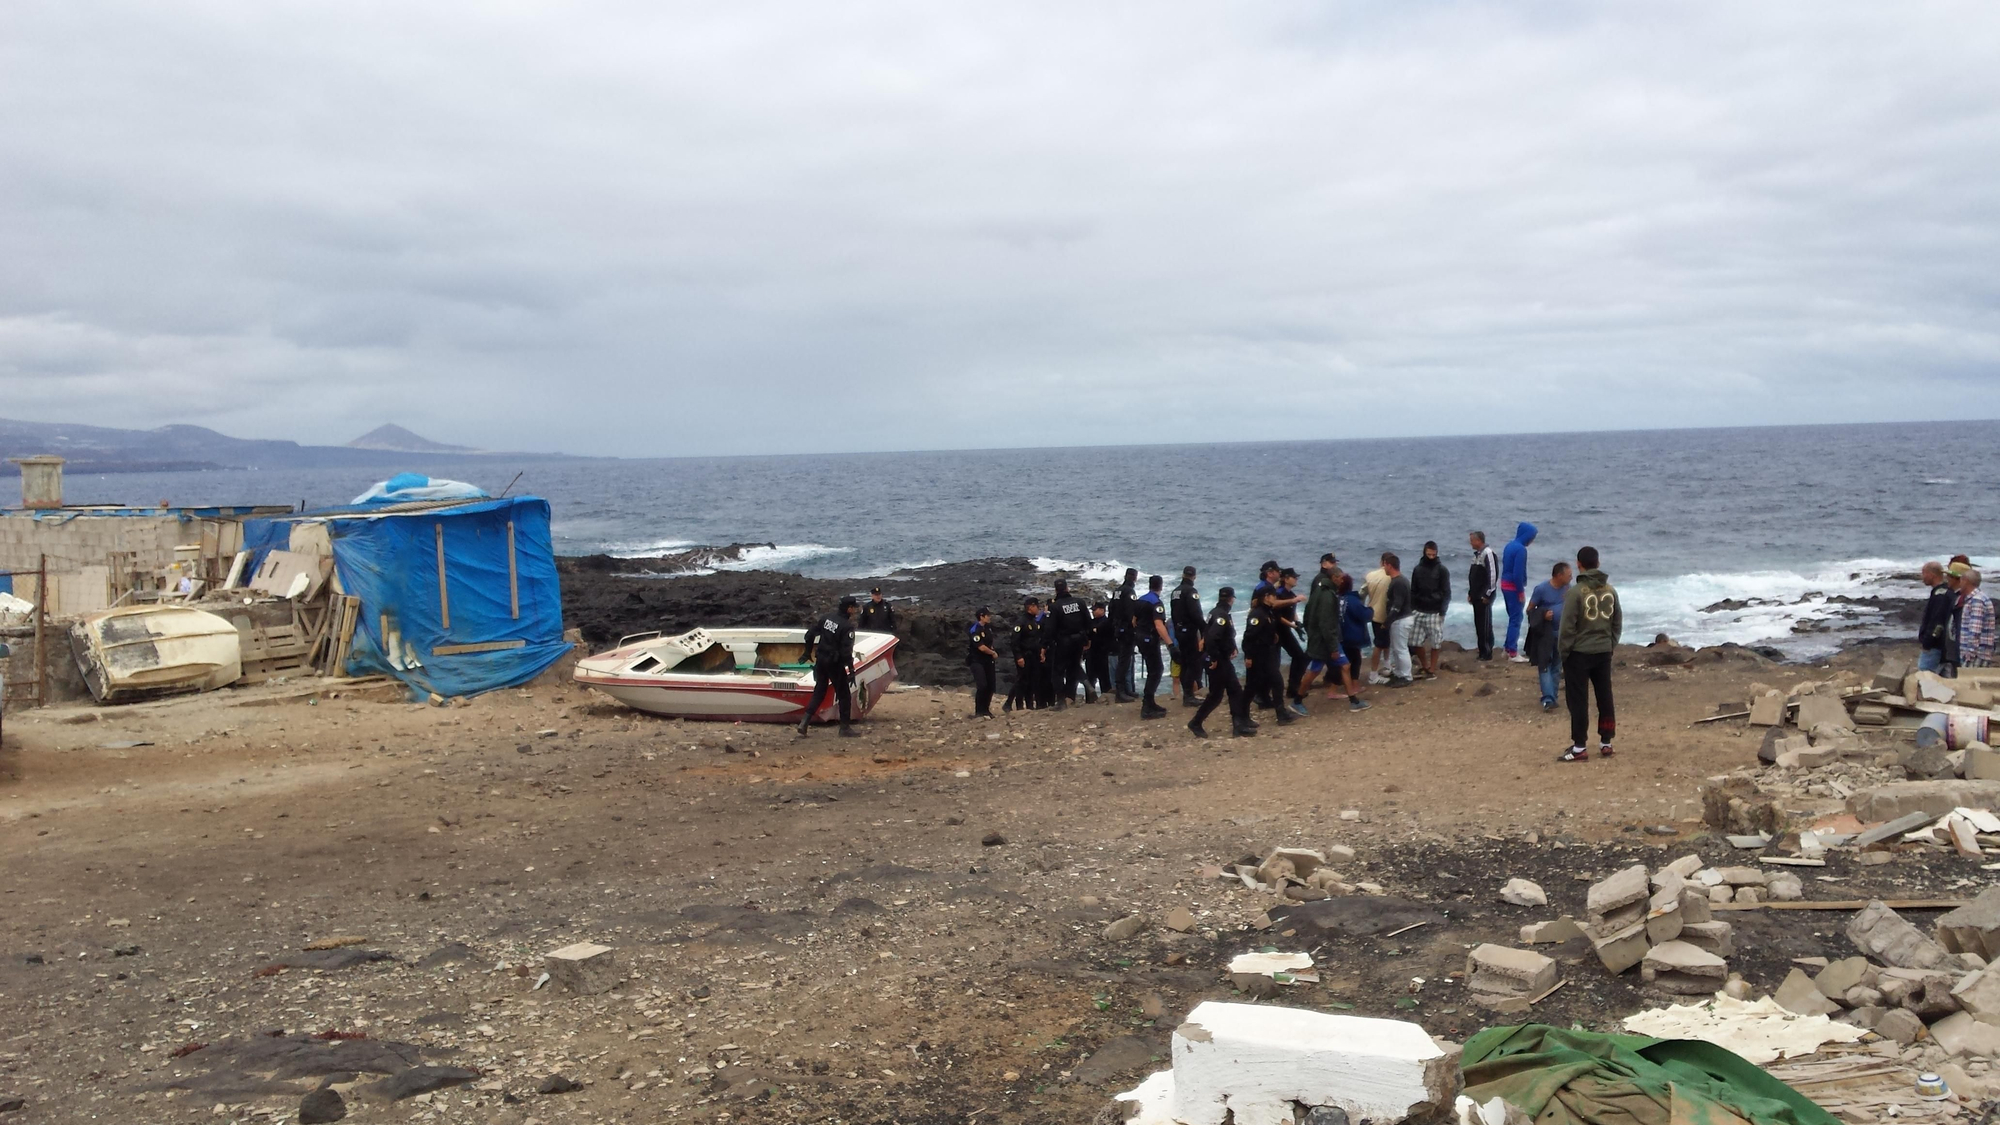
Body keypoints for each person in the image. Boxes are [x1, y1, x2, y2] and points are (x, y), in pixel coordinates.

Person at [1556, 546, 1620, 762]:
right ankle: (1606, 742)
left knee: (1578, 700)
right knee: (1605, 696)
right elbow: (1617, 621)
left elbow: (1567, 627)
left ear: (1578, 565)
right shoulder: (1610, 590)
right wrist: (1611, 643)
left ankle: (1579, 747)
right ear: (1598, 563)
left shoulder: (1575, 593)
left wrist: (1564, 652)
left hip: (1579, 653)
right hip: (1603, 650)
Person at [1190, 587, 1254, 738]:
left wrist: (1232, 647)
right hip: (1218, 660)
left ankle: (1237, 723)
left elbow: (1214, 633)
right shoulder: (1222, 615)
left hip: (1219, 657)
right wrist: (1214, 658)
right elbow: (1212, 637)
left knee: (1222, 693)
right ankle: (1236, 724)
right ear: (1231, 599)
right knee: (1230, 691)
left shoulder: (1216, 612)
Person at [798, 597, 862, 737]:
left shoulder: (827, 618)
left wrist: (807, 652)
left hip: (820, 660)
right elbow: (846, 651)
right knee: (844, 694)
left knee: (819, 691)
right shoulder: (847, 626)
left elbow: (809, 635)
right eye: (854, 607)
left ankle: (804, 722)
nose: (855, 610)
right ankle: (844, 728)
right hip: (835, 663)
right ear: (849, 609)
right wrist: (851, 670)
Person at [1242, 587, 1296, 726]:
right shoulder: (1258, 614)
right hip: (1257, 655)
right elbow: (1249, 636)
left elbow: (1269, 628)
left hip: (1268, 653)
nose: (1275, 599)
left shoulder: (1268, 612)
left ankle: (1281, 714)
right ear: (1266, 597)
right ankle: (1241, 716)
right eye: (1273, 596)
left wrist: (1274, 636)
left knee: (1277, 682)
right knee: (1251, 687)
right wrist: (1248, 656)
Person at [1525, 562, 1572, 711]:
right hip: (1545, 634)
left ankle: (1553, 696)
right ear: (1559, 575)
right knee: (1544, 665)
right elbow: (1530, 610)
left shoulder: (1567, 588)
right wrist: (1543, 614)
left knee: (1557, 665)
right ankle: (1548, 699)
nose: (1571, 578)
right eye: (1568, 575)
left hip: (1562, 633)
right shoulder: (1541, 589)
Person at [1300, 554, 1343, 696]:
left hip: (1320, 629)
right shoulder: (1321, 582)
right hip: (1320, 630)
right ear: (1324, 564)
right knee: (1317, 664)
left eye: (1335, 562)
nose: (1334, 565)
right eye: (1331, 563)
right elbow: (1317, 608)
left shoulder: (1328, 584)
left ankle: (1331, 683)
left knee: (1325, 664)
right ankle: (1299, 695)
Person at [1409, 541, 1451, 679]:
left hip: (1435, 610)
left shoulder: (1442, 570)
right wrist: (1411, 608)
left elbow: (1446, 592)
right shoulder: (1418, 569)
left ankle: (1431, 669)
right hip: (1419, 609)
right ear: (1424, 553)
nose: (1431, 557)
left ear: (1437, 553)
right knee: (1415, 642)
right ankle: (1425, 666)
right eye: (1429, 554)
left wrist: (1443, 611)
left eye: (1433, 554)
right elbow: (1413, 590)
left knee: (1435, 642)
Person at [1133, 574, 1173, 718]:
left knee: (1152, 670)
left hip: (1139, 637)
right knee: (1156, 670)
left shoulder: (1140, 600)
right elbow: (1159, 625)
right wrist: (1170, 643)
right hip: (1150, 639)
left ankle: (1149, 702)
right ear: (1161, 586)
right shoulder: (1156, 603)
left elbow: (1134, 620)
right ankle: (1147, 706)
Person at [1047, 578, 1090, 710]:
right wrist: (1087, 639)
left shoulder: (1055, 606)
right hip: (1079, 640)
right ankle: (1075, 693)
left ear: (1056, 590)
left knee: (1058, 672)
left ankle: (1061, 701)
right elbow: (1088, 622)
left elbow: (1050, 628)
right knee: (1074, 668)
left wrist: (1045, 644)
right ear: (1067, 588)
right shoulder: (1079, 602)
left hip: (1063, 642)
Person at [1274, 568, 1310, 715]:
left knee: (1299, 657)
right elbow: (1278, 615)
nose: (1296, 580)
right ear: (1286, 578)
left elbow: (1291, 611)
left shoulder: (1290, 594)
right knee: (1299, 657)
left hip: (1286, 629)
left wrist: (1297, 623)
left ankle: (1292, 687)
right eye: (1294, 577)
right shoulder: (1280, 593)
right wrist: (1293, 625)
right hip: (1279, 630)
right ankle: (1292, 688)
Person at [1335, 574, 1374, 710]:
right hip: (1353, 634)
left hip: (1341, 634)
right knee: (1355, 659)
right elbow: (1364, 615)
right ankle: (1354, 686)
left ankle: (1342, 686)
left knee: (1345, 661)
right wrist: (1370, 608)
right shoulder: (1352, 600)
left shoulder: (1337, 598)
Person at [1501, 522, 1538, 662]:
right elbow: (1517, 573)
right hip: (1513, 587)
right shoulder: (1521, 549)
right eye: (1532, 537)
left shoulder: (1509, 546)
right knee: (1516, 619)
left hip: (1505, 585)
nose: (1532, 540)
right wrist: (1520, 591)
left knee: (1512, 618)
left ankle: (1506, 648)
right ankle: (1512, 652)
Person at [1170, 567, 1206, 705]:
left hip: (1178, 629)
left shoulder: (1175, 592)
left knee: (1185, 662)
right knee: (1193, 663)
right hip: (1189, 630)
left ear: (1182, 575)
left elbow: (1173, 613)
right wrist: (1205, 629)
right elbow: (1195, 613)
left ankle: (1187, 694)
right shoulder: (1191, 591)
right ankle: (1189, 696)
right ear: (1194, 577)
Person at [1004, 596, 1045, 712]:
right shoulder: (1021, 622)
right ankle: (1015, 704)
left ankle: (1030, 705)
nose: (1038, 609)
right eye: (1037, 607)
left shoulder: (1034, 621)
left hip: (1034, 655)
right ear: (1030, 607)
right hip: (1024, 655)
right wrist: (1019, 656)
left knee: (1032, 681)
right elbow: (1014, 641)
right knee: (1022, 680)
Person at [1467, 531, 1500, 661]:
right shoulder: (1477, 555)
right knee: (1478, 624)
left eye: (1472, 540)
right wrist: (1470, 593)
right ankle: (1481, 650)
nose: (1470, 543)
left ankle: (1487, 652)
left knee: (1485, 624)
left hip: (1483, 597)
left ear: (1478, 540)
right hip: (1476, 596)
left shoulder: (1488, 553)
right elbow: (1473, 577)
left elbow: (1492, 575)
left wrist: (1487, 594)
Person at [1382, 553, 1414, 687]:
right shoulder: (1399, 581)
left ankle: (1406, 676)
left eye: (1384, 565)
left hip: (1401, 619)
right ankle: (1399, 673)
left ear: (1389, 566)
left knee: (1401, 649)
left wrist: (1387, 621)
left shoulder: (1398, 582)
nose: (1383, 568)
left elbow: (1397, 605)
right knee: (1396, 648)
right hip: (1401, 619)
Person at [1919, 561, 1956, 672]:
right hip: (1941, 646)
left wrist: (1928, 642)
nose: (1922, 577)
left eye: (1924, 573)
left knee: (1925, 675)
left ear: (1931, 574)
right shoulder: (1943, 592)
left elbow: (1937, 621)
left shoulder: (1941, 595)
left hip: (1935, 646)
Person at [1110, 568, 1140, 703]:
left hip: (1118, 628)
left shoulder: (1117, 591)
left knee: (1124, 660)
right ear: (1134, 578)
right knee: (1124, 661)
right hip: (1127, 629)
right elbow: (1131, 613)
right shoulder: (1129, 591)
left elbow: (1111, 610)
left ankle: (1124, 690)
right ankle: (1120, 691)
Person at [1363, 554, 1393, 680]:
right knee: (1383, 643)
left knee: (1381, 642)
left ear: (1381, 562)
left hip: (1373, 613)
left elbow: (1362, 593)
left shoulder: (1370, 576)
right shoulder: (1391, 577)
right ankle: (1374, 674)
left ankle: (1386, 665)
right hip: (1387, 614)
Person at [1960, 569, 1995, 669]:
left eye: (1961, 580)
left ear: (1966, 581)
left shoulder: (1977, 600)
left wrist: (1970, 653)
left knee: (1969, 682)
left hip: (1976, 655)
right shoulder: (1976, 598)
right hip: (1977, 654)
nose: (1960, 584)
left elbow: (1975, 630)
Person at [966, 608, 998, 718]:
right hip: (977, 660)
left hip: (988, 661)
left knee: (990, 685)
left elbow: (989, 643)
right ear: (981, 616)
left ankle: (986, 709)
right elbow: (981, 647)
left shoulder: (988, 628)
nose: (989, 617)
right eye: (987, 615)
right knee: (982, 685)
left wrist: (992, 650)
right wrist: (992, 653)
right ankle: (979, 710)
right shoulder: (975, 629)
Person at [1087, 602, 1116, 701]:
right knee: (1090, 679)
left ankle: (1106, 698)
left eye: (1095, 610)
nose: (1093, 612)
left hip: (1103, 654)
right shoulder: (1091, 622)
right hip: (1091, 654)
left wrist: (1095, 630)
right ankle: (1090, 700)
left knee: (1105, 679)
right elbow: (1088, 632)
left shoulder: (1107, 622)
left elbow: (1103, 632)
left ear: (1102, 610)